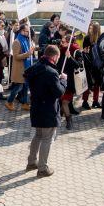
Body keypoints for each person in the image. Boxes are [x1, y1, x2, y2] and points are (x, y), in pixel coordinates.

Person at [24, 45, 66, 177]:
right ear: (54, 57)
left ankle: (31, 162)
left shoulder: (34, 67)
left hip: (36, 106)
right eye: (58, 57)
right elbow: (59, 92)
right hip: (48, 109)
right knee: (47, 138)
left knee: (38, 135)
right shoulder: (51, 72)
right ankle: (42, 168)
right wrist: (64, 81)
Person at [6, 22, 33, 111]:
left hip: (27, 68)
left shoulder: (26, 39)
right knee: (18, 87)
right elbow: (16, 56)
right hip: (20, 69)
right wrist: (27, 54)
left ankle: (25, 103)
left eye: (28, 31)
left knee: (25, 87)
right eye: (26, 31)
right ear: (21, 31)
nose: (28, 33)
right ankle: (9, 102)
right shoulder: (17, 42)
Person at [80, 23, 102, 110]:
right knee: (92, 83)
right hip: (91, 64)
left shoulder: (99, 38)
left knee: (95, 83)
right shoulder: (88, 38)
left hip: (93, 64)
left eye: (91, 28)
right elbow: (85, 51)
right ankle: (90, 101)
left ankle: (91, 101)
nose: (90, 29)